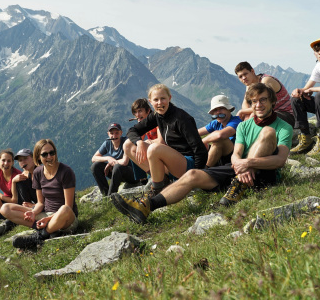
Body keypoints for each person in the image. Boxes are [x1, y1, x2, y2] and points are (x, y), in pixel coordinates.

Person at [111, 82, 293, 223]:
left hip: (262, 173)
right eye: (254, 102)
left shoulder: (282, 127)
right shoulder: (245, 125)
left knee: (267, 132)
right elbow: (237, 153)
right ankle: (147, 206)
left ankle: (240, 183)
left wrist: (247, 164)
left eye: (263, 100)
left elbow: (280, 160)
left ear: (272, 102)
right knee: (192, 175)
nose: (258, 105)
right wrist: (240, 163)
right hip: (237, 171)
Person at [123, 84, 207, 199]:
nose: (159, 103)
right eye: (156, 100)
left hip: (187, 164)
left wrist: (196, 176)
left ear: (169, 98)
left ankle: (157, 192)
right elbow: (132, 130)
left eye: (163, 98)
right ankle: (163, 181)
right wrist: (139, 142)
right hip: (171, 164)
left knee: (154, 148)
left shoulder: (181, 118)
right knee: (128, 145)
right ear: (150, 102)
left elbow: (200, 149)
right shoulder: (157, 115)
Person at [0, 139, 78, 251]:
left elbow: (68, 206)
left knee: (64, 209)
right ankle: (50, 230)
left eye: (52, 153)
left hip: (66, 219)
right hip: (46, 214)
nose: (49, 157)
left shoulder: (66, 172)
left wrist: (48, 219)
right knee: (5, 208)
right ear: (38, 157)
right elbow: (41, 202)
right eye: (44, 154)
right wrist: (33, 213)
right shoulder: (38, 173)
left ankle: (39, 236)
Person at [0, 145, 42, 238]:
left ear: (33, 158)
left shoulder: (41, 172)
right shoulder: (24, 175)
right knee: (20, 182)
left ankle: (5, 226)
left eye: (25, 158)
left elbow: (50, 198)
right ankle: (6, 226)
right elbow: (17, 200)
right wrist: (14, 181)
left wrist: (34, 206)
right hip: (31, 207)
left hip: (41, 207)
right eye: (20, 160)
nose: (23, 162)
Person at [90, 123, 146, 196]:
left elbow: (124, 162)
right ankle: (105, 194)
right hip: (117, 173)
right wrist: (108, 158)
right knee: (95, 166)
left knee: (117, 166)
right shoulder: (107, 143)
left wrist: (110, 163)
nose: (114, 136)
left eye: (117, 133)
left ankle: (111, 196)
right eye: (111, 133)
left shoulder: (126, 142)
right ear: (108, 134)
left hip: (132, 175)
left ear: (121, 133)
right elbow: (94, 158)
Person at [197, 94, 242, 168]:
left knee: (219, 141)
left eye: (221, 108)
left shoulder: (236, 121)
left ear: (229, 110)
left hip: (234, 156)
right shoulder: (215, 123)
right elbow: (195, 133)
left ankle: (205, 170)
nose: (218, 112)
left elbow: (220, 135)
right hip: (221, 156)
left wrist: (202, 142)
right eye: (215, 110)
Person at [123, 98, 159, 176]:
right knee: (136, 146)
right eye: (135, 112)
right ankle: (143, 179)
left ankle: (156, 175)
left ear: (148, 110)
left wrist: (147, 142)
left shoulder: (156, 120)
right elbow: (136, 139)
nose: (137, 115)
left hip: (162, 149)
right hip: (154, 149)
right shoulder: (144, 124)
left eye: (140, 111)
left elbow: (163, 140)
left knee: (140, 148)